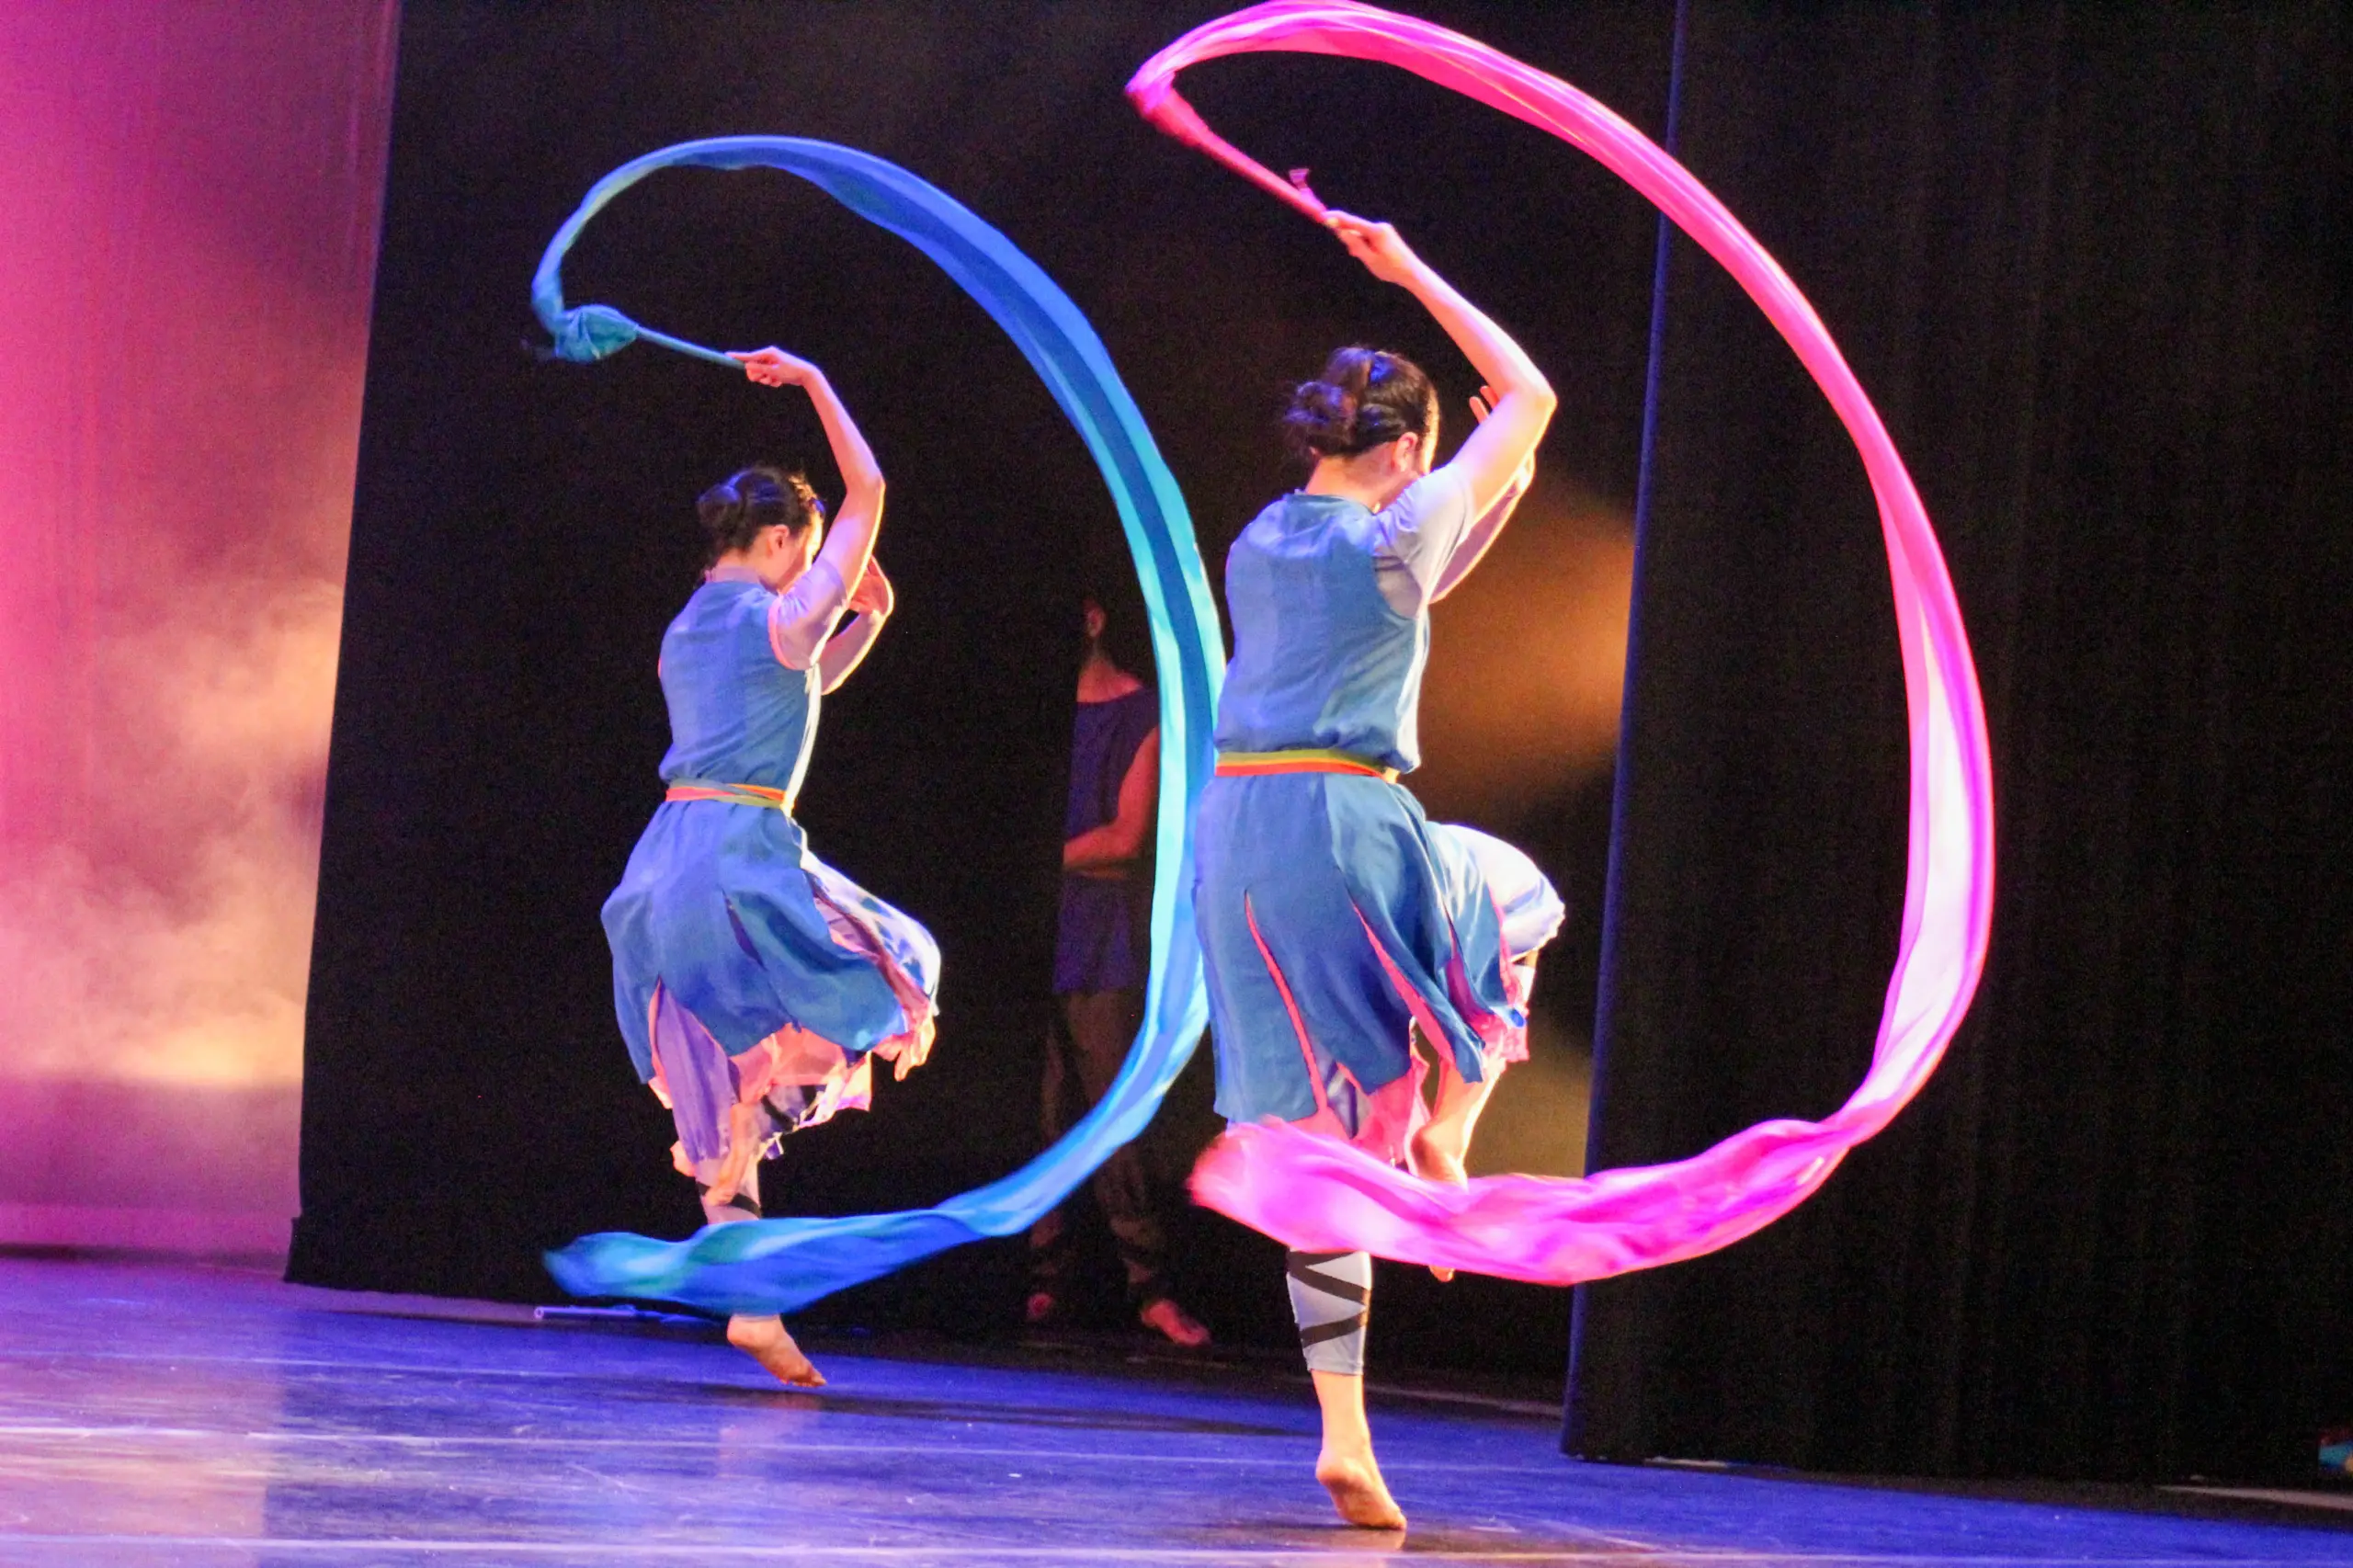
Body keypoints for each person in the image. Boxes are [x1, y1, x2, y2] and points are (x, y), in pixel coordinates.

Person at [1192, 215, 1565, 1529]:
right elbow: (1530, 393)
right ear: (1408, 451)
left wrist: (1498, 483)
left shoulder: (1260, 536)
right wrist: (1409, 268)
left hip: (1235, 839)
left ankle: (1344, 1433)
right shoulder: (1401, 527)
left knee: (1321, 1147)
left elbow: (1424, 579)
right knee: (1519, 898)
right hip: (1344, 824)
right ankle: (1447, 1131)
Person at [601, 347, 940, 1390]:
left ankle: (754, 1308)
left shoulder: (687, 627)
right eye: (811, 554)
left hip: (664, 871)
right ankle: (764, 1146)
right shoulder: (774, 611)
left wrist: (867, 615)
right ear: (784, 539)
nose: (815, 571)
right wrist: (814, 381)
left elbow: (800, 689)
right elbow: (869, 492)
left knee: (718, 1091)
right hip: (737, 862)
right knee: (897, 967)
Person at [1025, 596, 1211, 1349]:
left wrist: (1046, 859)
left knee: (1114, 1115)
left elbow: (1125, 839)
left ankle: (1150, 1288)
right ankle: (1042, 1278)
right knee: (1039, 1115)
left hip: (1099, 939)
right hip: (1037, 929)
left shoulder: (1142, 713)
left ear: (1093, 620)